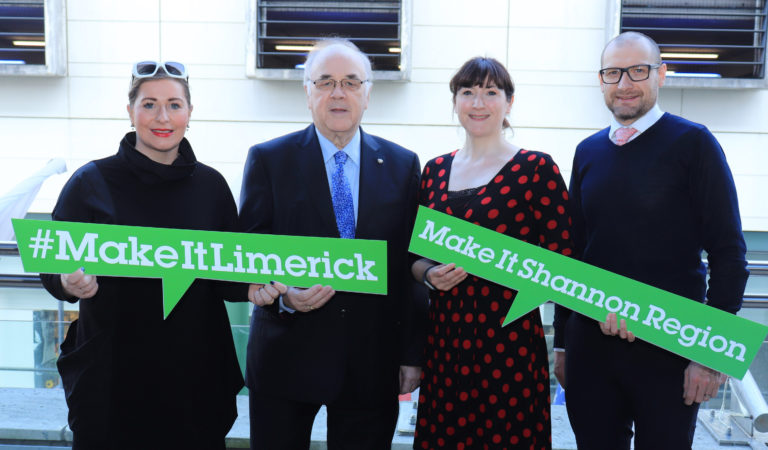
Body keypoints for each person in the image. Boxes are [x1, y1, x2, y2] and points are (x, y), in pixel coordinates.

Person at [41, 61, 286, 449]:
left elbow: (227, 271)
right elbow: (53, 268)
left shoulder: (212, 186)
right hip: (111, 378)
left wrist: (251, 287)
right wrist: (67, 281)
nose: (162, 117)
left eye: (174, 104)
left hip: (195, 376)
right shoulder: (90, 181)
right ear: (130, 111)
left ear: (190, 113)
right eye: (149, 104)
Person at [553, 32, 749, 449]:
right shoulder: (587, 152)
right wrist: (564, 345)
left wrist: (710, 355)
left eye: (637, 71)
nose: (624, 83)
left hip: (672, 349)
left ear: (661, 74)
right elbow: (574, 251)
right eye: (613, 73)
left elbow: (729, 254)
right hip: (592, 349)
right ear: (601, 81)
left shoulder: (694, 143)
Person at [238, 39, 425, 450]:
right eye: (325, 82)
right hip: (285, 359)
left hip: (372, 366)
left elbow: (409, 266)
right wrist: (284, 296)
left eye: (350, 82)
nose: (338, 93)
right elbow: (248, 253)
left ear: (368, 93)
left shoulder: (403, 165)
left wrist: (412, 354)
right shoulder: (269, 160)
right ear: (308, 93)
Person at [411, 56, 574, 450]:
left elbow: (565, 264)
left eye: (490, 92)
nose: (478, 102)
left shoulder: (536, 169)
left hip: (511, 347)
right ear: (455, 102)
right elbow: (412, 259)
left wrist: (563, 346)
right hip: (445, 347)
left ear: (509, 102)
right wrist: (428, 275)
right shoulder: (433, 171)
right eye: (467, 92)